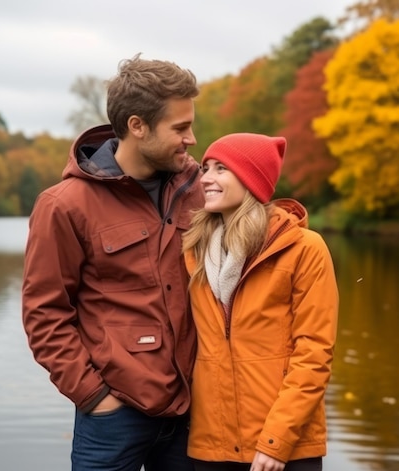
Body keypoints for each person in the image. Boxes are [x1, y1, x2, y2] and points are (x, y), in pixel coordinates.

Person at [22, 54, 204, 471]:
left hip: (196, 411)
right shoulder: (64, 206)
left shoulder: (199, 191)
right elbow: (44, 314)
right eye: (180, 128)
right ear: (137, 126)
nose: (191, 138)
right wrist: (92, 396)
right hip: (112, 418)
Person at [182, 133, 339, 471]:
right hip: (211, 446)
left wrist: (276, 442)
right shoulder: (192, 251)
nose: (206, 177)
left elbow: (313, 354)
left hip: (285, 448)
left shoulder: (305, 249)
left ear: (251, 179)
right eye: (206, 167)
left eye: (221, 169)